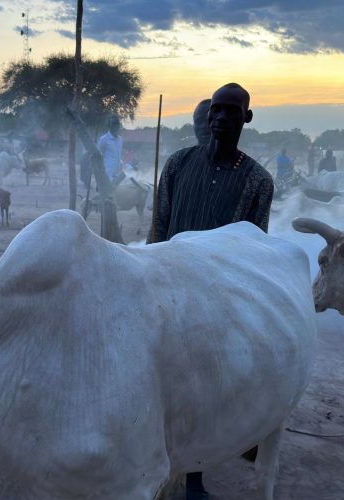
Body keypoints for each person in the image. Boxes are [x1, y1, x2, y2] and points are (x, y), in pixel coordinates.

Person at [148, 84, 273, 499]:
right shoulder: (178, 164)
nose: (219, 118)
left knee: (208, 387)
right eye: (214, 110)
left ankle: (195, 476)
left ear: (246, 119)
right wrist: (147, 278)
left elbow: (254, 249)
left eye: (230, 111)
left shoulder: (258, 181)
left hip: (219, 298)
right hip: (168, 287)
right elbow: (159, 228)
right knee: (160, 380)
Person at [97, 116, 124, 182]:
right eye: (113, 123)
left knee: (117, 191)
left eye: (117, 123)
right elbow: (98, 156)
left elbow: (118, 155)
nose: (115, 125)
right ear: (109, 125)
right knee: (108, 191)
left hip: (118, 172)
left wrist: (121, 163)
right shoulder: (103, 139)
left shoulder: (120, 139)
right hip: (108, 173)